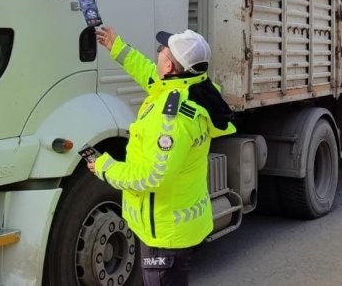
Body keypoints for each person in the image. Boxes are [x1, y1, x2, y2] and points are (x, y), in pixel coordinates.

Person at [89, 26, 236, 285]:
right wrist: (118, 48)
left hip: (165, 236)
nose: (157, 52)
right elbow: (149, 74)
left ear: (169, 67)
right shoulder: (198, 89)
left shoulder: (173, 119)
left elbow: (152, 176)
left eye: (162, 51)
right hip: (182, 226)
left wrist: (105, 167)